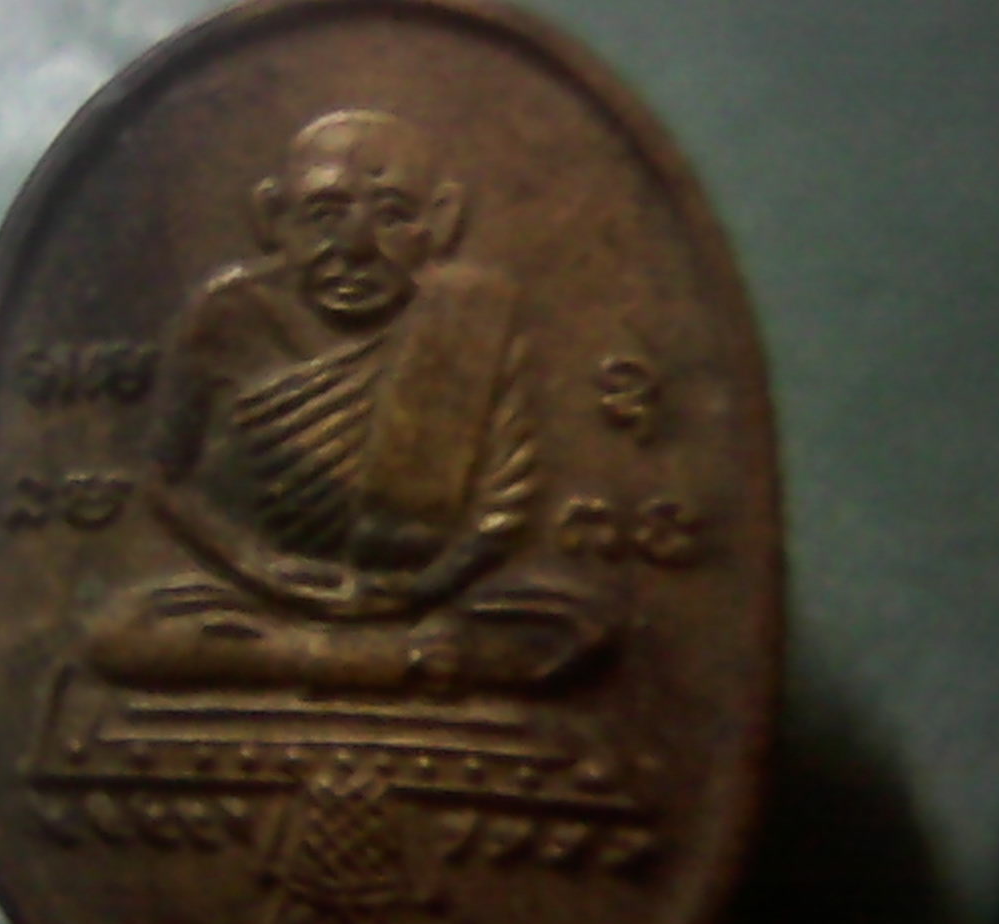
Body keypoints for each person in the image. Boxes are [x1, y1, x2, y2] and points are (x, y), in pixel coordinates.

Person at [88, 110, 610, 693]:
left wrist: (422, 587)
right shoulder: (230, 312)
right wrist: (262, 568)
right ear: (272, 217)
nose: (355, 247)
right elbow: (165, 481)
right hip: (265, 599)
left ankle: (341, 659)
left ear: (440, 221)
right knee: (120, 630)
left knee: (579, 628)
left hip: (429, 597)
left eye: (391, 215)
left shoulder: (474, 316)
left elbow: (503, 508)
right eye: (324, 216)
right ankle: (381, 663)